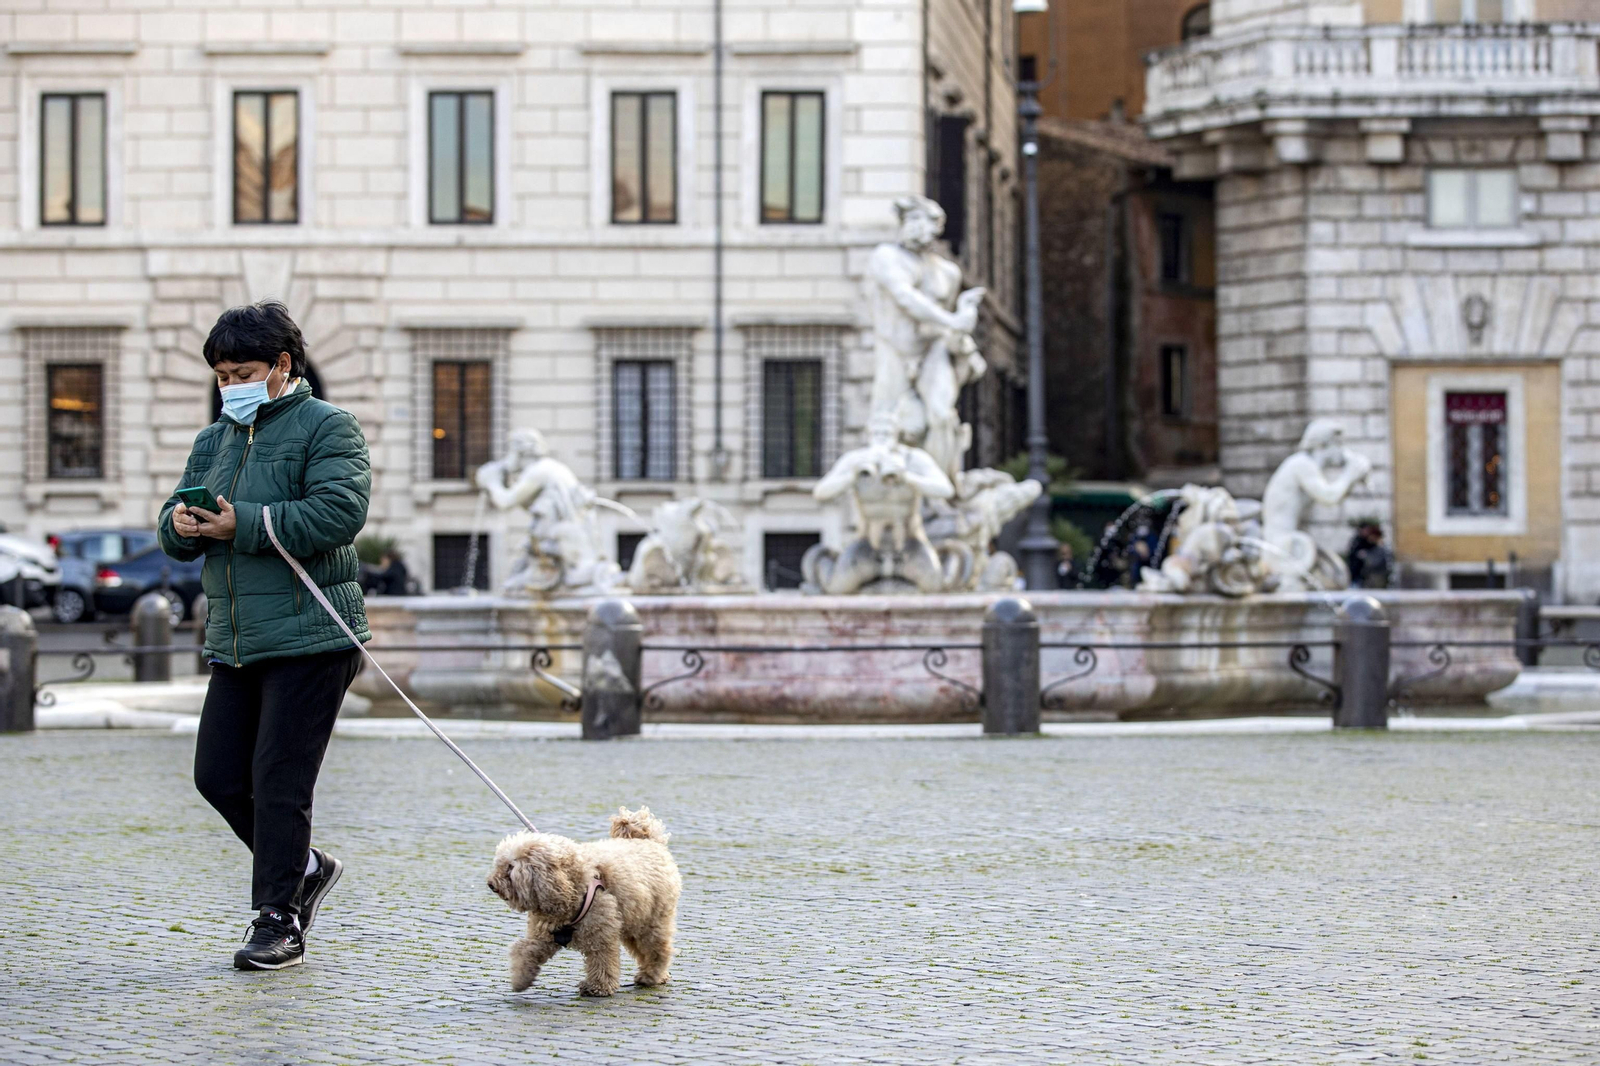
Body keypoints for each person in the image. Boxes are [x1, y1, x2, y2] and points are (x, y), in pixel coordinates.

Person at [158, 300, 372, 971]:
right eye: (221, 375)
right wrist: (182, 526)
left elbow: (339, 512)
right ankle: (306, 867)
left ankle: (278, 919)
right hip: (238, 639)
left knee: (279, 781)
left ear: (282, 365)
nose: (230, 386)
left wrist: (239, 524)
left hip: (314, 636)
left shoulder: (328, 425)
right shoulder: (213, 437)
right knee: (217, 776)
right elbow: (173, 513)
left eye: (242, 371)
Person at [1345, 522, 1392, 589]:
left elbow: (1375, 562)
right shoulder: (1359, 541)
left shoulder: (1381, 548)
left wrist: (1365, 556)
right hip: (1364, 577)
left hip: (1377, 578)